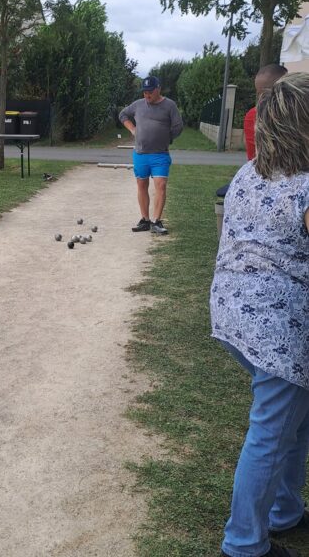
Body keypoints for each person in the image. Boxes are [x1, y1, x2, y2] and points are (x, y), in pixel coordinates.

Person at [210, 72, 309, 557]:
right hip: (277, 324)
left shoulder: (251, 171)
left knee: (295, 417)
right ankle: (245, 543)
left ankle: (284, 510)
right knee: (271, 430)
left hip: (231, 311)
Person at [119, 75, 183, 235]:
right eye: (144, 92)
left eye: (150, 92)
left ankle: (156, 221)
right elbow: (123, 115)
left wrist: (168, 138)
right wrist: (132, 129)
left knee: (161, 185)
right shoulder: (138, 105)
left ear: (158, 89)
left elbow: (178, 126)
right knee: (141, 185)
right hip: (140, 154)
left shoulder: (169, 105)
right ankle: (145, 220)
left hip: (160, 155)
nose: (146, 95)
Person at [244, 64, 288, 160]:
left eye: (266, 92)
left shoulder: (298, 112)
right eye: (259, 93)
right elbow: (254, 157)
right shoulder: (253, 115)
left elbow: (253, 158)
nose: (261, 98)